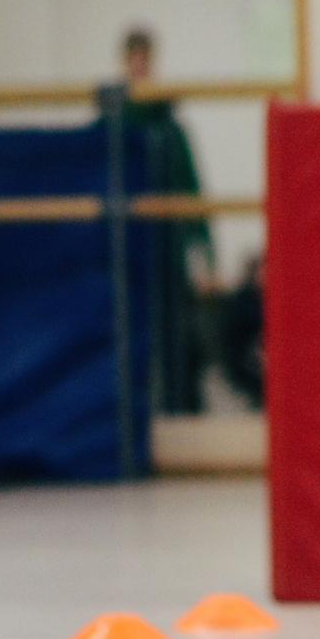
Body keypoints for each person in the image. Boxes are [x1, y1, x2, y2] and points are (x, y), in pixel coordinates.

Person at [120, 27, 214, 415]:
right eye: (134, 59)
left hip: (168, 249)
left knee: (177, 336)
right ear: (125, 62)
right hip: (131, 248)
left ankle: (181, 408)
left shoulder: (170, 127)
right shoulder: (116, 123)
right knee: (134, 334)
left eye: (145, 59)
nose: (140, 66)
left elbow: (192, 190)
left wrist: (204, 255)